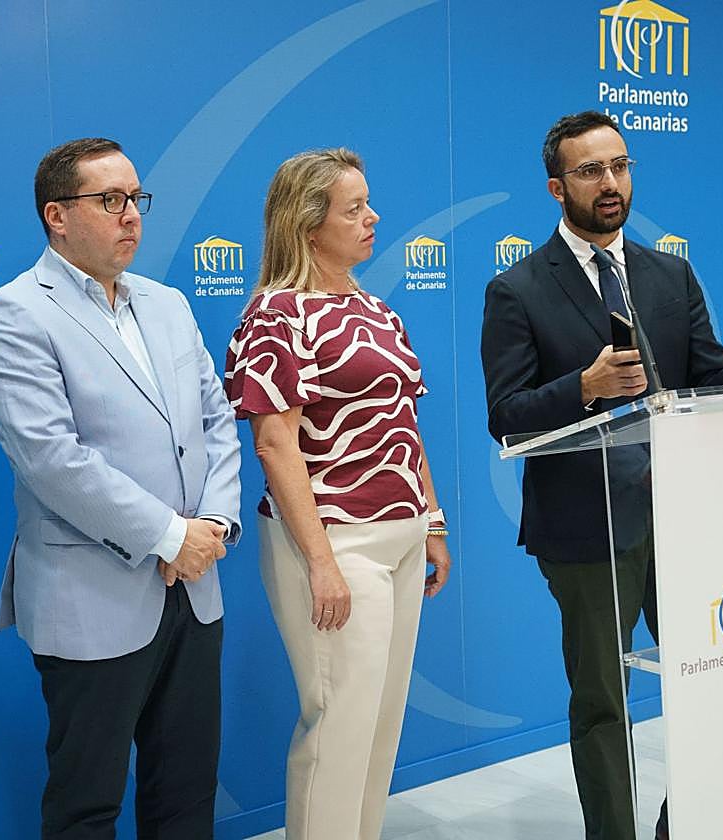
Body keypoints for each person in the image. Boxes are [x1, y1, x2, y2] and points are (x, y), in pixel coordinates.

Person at [480, 110, 723, 840]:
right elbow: (506, 415)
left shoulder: (668, 272)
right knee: (605, 702)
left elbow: (708, 387)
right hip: (588, 527)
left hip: (687, 517)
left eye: (620, 166)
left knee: (711, 684)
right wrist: (586, 387)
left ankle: (680, 825)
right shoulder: (519, 289)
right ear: (555, 187)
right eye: (591, 171)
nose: (610, 183)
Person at [0, 137, 241, 840]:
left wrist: (213, 524)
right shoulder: (14, 313)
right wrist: (168, 535)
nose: (131, 215)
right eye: (110, 200)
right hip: (92, 592)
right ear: (57, 216)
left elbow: (216, 420)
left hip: (194, 584)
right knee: (86, 804)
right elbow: (51, 459)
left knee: (185, 791)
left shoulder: (169, 304)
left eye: (136, 199)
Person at [224, 148, 452, 840]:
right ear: (308, 224)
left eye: (367, 203)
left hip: (403, 538)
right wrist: (320, 561)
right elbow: (274, 445)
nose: (372, 217)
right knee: (339, 727)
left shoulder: (376, 310)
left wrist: (431, 523)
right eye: (354, 208)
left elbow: (402, 426)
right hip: (334, 541)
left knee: (379, 729)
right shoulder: (275, 315)